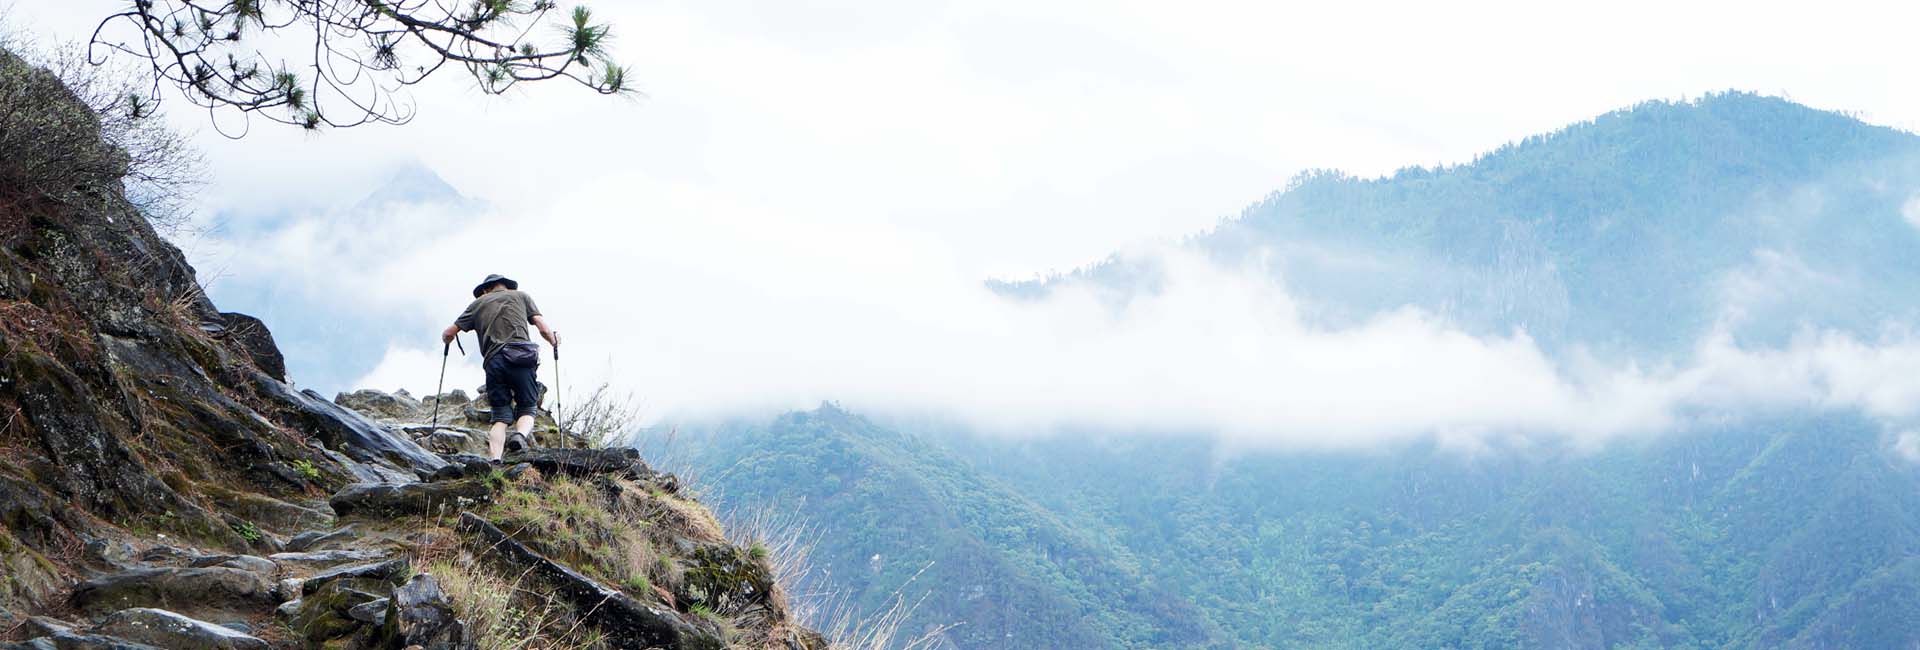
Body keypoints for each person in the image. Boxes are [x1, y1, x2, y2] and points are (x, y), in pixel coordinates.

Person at [442, 274, 559, 460]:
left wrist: (447, 340)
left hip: (494, 361)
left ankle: (495, 461)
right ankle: (520, 436)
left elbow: (449, 333)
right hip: (521, 357)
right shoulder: (521, 296)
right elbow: (543, 329)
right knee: (528, 407)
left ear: (486, 289)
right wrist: (554, 341)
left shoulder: (477, 304)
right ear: (507, 287)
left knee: (500, 417)